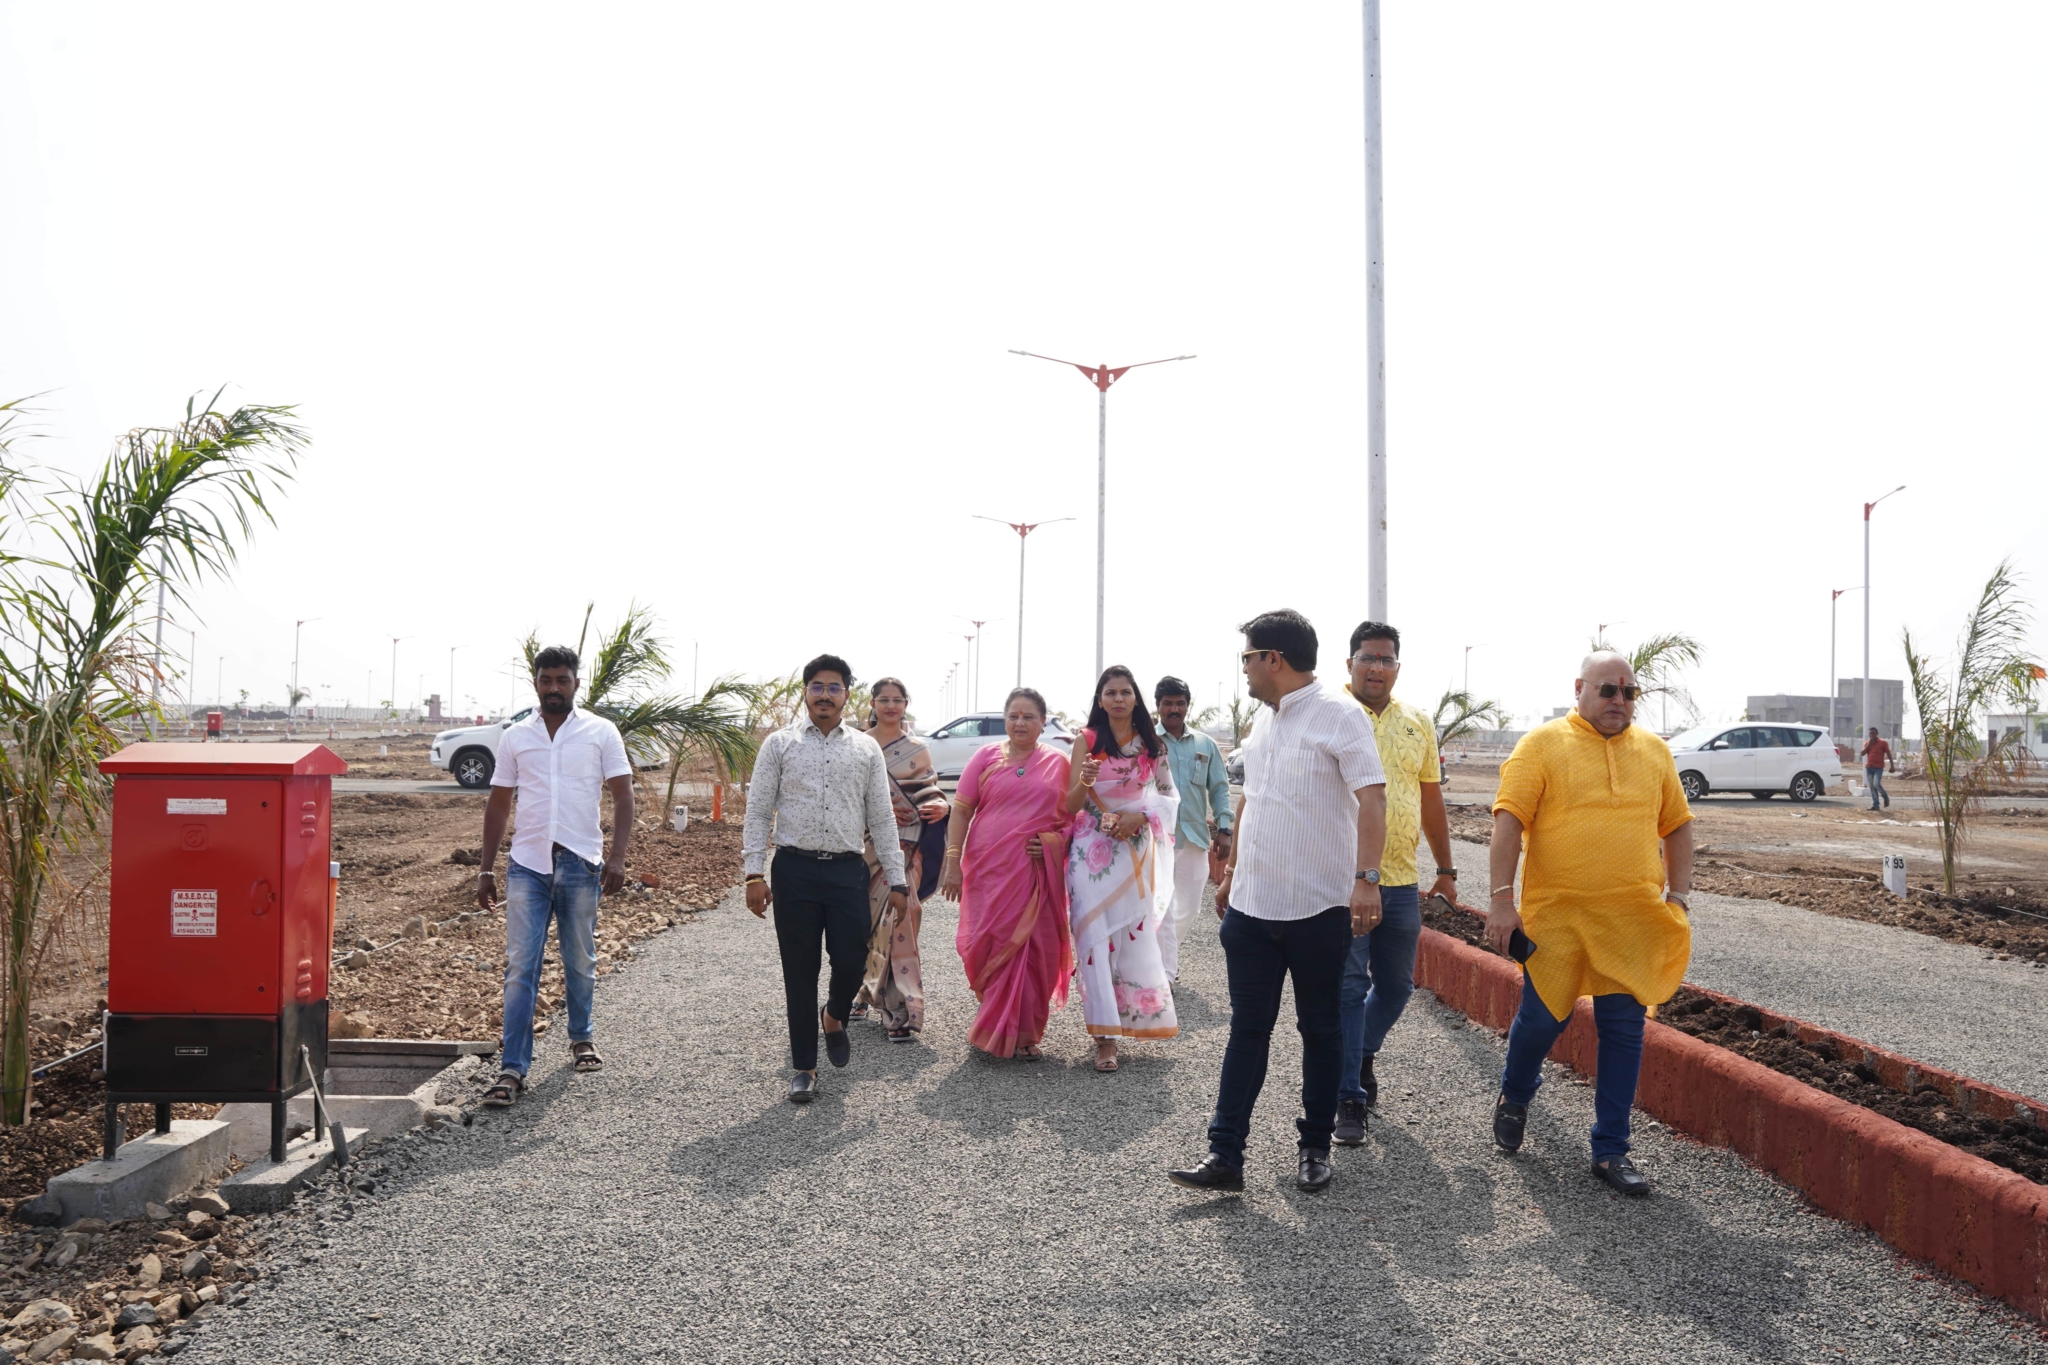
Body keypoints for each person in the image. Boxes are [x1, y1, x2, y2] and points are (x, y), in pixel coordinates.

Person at [1169, 610, 1386, 1194]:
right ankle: (1225, 1155)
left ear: (1274, 659)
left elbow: (1372, 799)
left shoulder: (1340, 715)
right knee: (1247, 1030)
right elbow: (1251, 799)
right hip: (1252, 909)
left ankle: (1315, 1147)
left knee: (1320, 1030)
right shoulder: (1264, 721)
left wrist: (1367, 880)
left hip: (1318, 908)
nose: (1243, 668)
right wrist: (1233, 873)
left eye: (1247, 657)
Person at [1486, 650, 1695, 1197]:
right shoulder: (1541, 745)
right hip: (1558, 921)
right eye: (1608, 690)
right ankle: (1515, 1093)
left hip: (1632, 920)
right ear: (1579, 688)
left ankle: (1610, 1149)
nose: (1619, 701)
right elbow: (1509, 822)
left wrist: (1679, 897)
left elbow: (1677, 826)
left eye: (1629, 692)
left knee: (1624, 1029)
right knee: (1541, 1021)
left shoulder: (1654, 752)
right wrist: (1502, 900)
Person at [742, 654, 909, 1103]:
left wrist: (897, 880)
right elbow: (758, 811)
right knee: (799, 971)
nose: (825, 695)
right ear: (805, 691)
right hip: (794, 870)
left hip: (845, 871)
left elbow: (882, 817)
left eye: (834, 687)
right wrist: (753, 873)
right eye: (817, 686)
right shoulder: (779, 744)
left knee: (852, 960)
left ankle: (833, 1015)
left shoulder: (865, 749)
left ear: (847, 695)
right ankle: (804, 1067)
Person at [476, 645, 635, 1108]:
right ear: (536, 683)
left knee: (579, 958)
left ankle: (581, 1036)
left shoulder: (600, 732)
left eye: (562, 680)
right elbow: (498, 804)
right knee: (520, 967)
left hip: (581, 863)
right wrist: (485, 869)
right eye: (546, 680)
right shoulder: (515, 736)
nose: (553, 688)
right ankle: (512, 1069)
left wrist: (617, 858)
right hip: (527, 864)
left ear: (575, 684)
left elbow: (623, 796)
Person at [1333, 621, 1463, 1146]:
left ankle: (1359, 1053)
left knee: (1396, 987)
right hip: (1343, 881)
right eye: (1367, 657)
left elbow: (1430, 798)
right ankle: (1348, 1096)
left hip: (1402, 880)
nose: (1376, 668)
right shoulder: (1331, 714)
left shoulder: (1418, 722)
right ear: (1349, 664)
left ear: (1397, 667)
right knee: (1348, 987)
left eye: (1386, 659)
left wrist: (1446, 870)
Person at [942, 688, 1073, 1060]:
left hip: (1035, 872)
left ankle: (1023, 1031)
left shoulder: (1058, 762)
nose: (1020, 722)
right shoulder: (985, 756)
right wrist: (953, 861)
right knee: (990, 942)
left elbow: (1074, 819)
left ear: (1043, 722)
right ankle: (997, 1018)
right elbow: (961, 809)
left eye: (1029, 716)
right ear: (1005, 720)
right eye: (1013, 715)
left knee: (1034, 947)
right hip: (988, 867)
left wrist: (1054, 843)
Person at [1066, 665, 1181, 1073]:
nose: (1118, 699)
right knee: (1094, 935)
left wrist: (1141, 817)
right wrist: (1084, 780)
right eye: (1110, 692)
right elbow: (1070, 803)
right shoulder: (1087, 740)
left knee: (1133, 933)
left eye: (1125, 692)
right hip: (1091, 850)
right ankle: (1105, 1037)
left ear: (1136, 698)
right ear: (1100, 700)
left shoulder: (1152, 745)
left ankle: (1133, 1017)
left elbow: (1169, 795)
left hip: (1134, 846)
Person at [851, 678, 949, 1041]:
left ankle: (903, 1007)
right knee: (867, 919)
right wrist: (877, 812)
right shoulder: (857, 744)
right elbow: (847, 794)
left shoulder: (917, 748)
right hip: (865, 844)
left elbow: (928, 788)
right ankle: (863, 989)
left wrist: (941, 806)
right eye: (884, 699)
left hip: (907, 843)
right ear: (873, 703)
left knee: (904, 912)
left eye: (897, 699)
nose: (891, 705)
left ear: (906, 704)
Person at [1153, 676, 1233, 981]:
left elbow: (1220, 788)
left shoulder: (1204, 743)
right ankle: (1162, 974)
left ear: (1187, 706)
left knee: (1188, 907)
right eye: (1168, 703)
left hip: (1194, 837)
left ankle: (1160, 960)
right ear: (1158, 706)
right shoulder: (1146, 742)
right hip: (1155, 838)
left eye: (1180, 703)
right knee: (1159, 906)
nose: (1174, 709)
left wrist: (1224, 828)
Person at [1860, 727, 1892, 810]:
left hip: (1878, 767)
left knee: (1876, 784)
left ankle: (1885, 797)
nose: (1871, 735)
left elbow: (1888, 753)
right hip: (1869, 767)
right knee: (1872, 786)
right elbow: (1862, 753)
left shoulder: (1883, 743)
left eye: (1873, 733)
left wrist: (1892, 765)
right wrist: (1869, 745)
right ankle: (1875, 805)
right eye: (1870, 733)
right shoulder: (1867, 743)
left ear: (1877, 734)